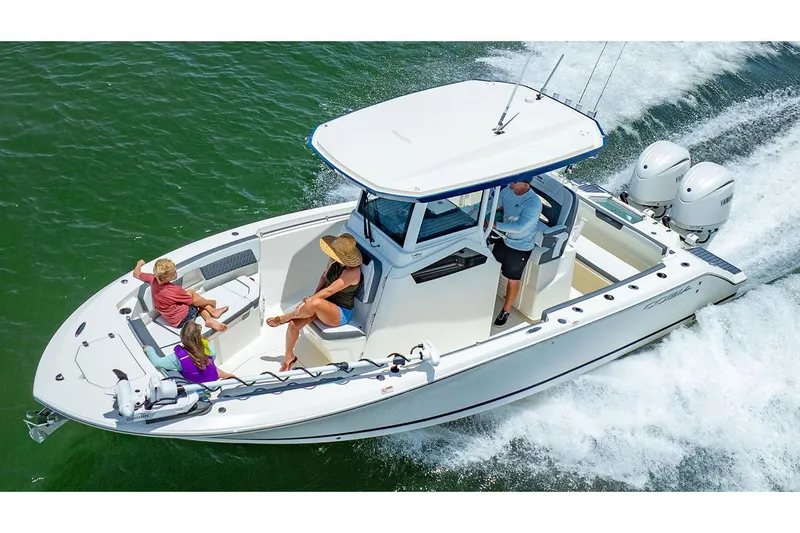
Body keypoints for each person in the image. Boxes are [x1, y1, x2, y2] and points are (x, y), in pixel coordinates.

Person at [266, 233, 363, 371]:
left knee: (315, 304)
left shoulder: (353, 272)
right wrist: (312, 297)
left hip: (340, 312)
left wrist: (311, 300)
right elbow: (324, 277)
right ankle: (289, 358)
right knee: (294, 325)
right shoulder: (334, 260)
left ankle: (286, 317)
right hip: (324, 305)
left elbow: (329, 291)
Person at [485, 177, 543, 327]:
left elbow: (519, 227)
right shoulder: (508, 191)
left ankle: (506, 310)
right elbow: (492, 206)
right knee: (492, 268)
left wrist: (493, 224)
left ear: (525, 184)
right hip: (503, 238)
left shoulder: (533, 203)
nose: (511, 181)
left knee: (513, 280)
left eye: (515, 180)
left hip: (520, 246)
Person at [133, 258, 228, 332]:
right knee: (196, 301)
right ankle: (210, 317)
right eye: (173, 273)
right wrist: (210, 302)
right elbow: (194, 301)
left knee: (190, 293)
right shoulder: (174, 290)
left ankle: (212, 313)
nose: (176, 273)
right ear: (166, 277)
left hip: (171, 319)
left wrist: (139, 264)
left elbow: (136, 274)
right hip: (183, 319)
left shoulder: (152, 279)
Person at [143, 321, 235, 382]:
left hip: (196, 386)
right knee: (211, 366)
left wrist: (148, 349)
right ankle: (225, 375)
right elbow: (211, 364)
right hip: (212, 380)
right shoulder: (209, 349)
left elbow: (157, 362)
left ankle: (223, 375)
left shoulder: (177, 359)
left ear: (182, 338)